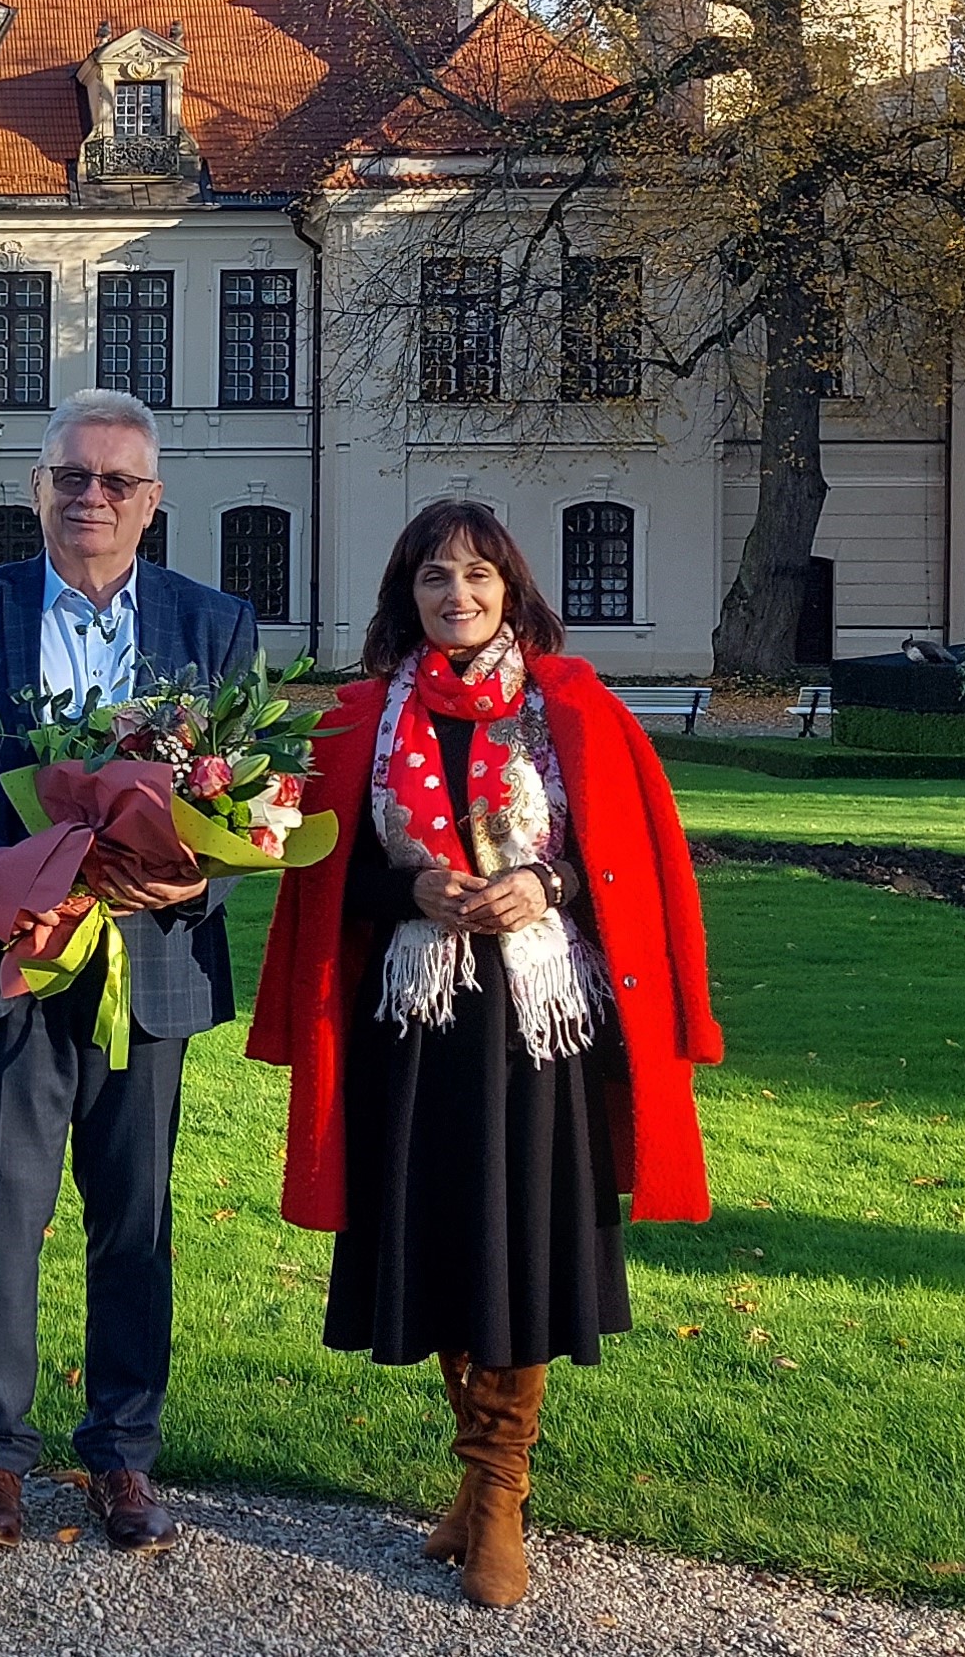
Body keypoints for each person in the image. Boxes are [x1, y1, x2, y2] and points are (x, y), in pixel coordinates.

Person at [244, 498, 720, 1609]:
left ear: (510, 590)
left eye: (474, 576)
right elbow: (324, 874)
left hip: (535, 1023)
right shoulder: (360, 717)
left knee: (518, 1242)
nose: (453, 595)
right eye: (430, 577)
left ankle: (501, 1490)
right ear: (403, 594)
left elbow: (629, 863)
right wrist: (410, 883)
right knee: (437, 1236)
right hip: (413, 1020)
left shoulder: (572, 709)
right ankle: (472, 1472)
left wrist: (543, 882)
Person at [0, 390, 257, 1554]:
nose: (88, 496)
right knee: (0, 1209)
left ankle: (123, 1454)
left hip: (150, 960)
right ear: (34, 489)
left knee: (133, 1217)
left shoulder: (214, 621)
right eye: (67, 476)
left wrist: (197, 881)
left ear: (151, 502)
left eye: (113, 481)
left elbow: (246, 791)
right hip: (11, 948)